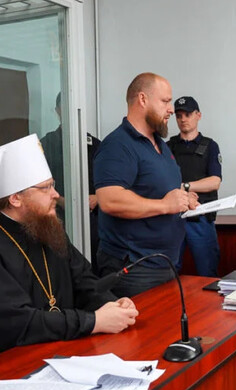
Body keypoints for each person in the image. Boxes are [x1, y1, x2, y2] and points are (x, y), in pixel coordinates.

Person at [0, 135, 138, 356]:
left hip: (66, 348)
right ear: (15, 198)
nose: (55, 194)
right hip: (17, 360)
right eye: (45, 188)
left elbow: (85, 282)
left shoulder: (46, 226)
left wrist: (112, 304)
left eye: (52, 185)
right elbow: (16, 322)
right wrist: (93, 321)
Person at [93, 72, 199, 297]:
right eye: (165, 101)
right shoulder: (118, 145)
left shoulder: (160, 145)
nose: (171, 109)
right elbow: (110, 200)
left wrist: (182, 198)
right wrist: (165, 205)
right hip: (134, 268)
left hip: (164, 262)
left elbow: (159, 189)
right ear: (142, 99)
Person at [40, 92, 103, 274]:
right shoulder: (47, 143)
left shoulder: (96, 145)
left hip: (95, 223)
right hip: (61, 220)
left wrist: (97, 197)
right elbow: (39, 187)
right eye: (65, 108)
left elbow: (113, 184)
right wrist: (64, 201)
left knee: (95, 271)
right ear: (57, 111)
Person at [167, 96, 222, 277]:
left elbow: (215, 181)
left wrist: (185, 186)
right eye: (179, 115)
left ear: (198, 115)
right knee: (168, 273)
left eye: (188, 114)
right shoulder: (167, 147)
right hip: (173, 218)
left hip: (200, 218)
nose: (183, 119)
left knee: (208, 272)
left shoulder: (210, 146)